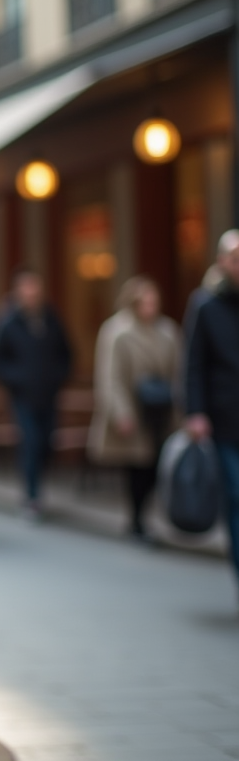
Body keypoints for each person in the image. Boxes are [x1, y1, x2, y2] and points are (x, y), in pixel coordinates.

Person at [87, 276, 180, 542]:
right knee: (137, 465)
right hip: (135, 408)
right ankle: (137, 520)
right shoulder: (117, 332)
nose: (150, 307)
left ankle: (142, 517)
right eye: (145, 302)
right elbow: (110, 378)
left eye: (154, 302)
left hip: (161, 410)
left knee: (157, 464)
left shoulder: (168, 331)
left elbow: (178, 371)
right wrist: (121, 414)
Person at [0, 268, 72, 518]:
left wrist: (57, 377)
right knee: (31, 442)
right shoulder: (7, 322)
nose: (31, 294)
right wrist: (17, 379)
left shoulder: (51, 319)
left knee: (46, 442)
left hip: (48, 394)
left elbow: (66, 353)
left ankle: (37, 487)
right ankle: (32, 495)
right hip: (23, 396)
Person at [185, 230, 239, 597]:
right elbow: (193, 364)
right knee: (236, 496)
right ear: (222, 262)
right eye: (235, 258)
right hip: (224, 421)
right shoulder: (205, 306)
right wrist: (196, 412)